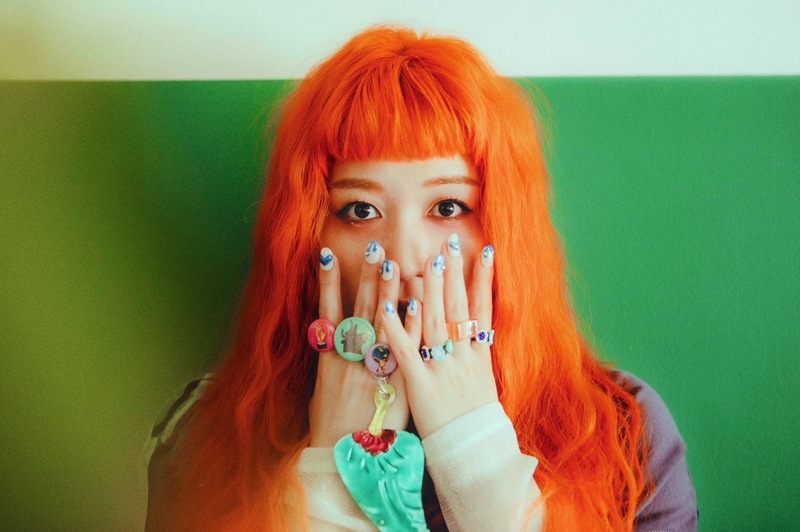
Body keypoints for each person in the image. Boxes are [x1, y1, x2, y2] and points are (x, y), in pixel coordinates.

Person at [146, 26, 697, 531]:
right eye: (360, 210)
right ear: (308, 237)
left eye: (448, 207)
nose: (404, 256)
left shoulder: (623, 433)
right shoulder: (209, 436)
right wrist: (332, 479)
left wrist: (475, 454)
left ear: (504, 228)